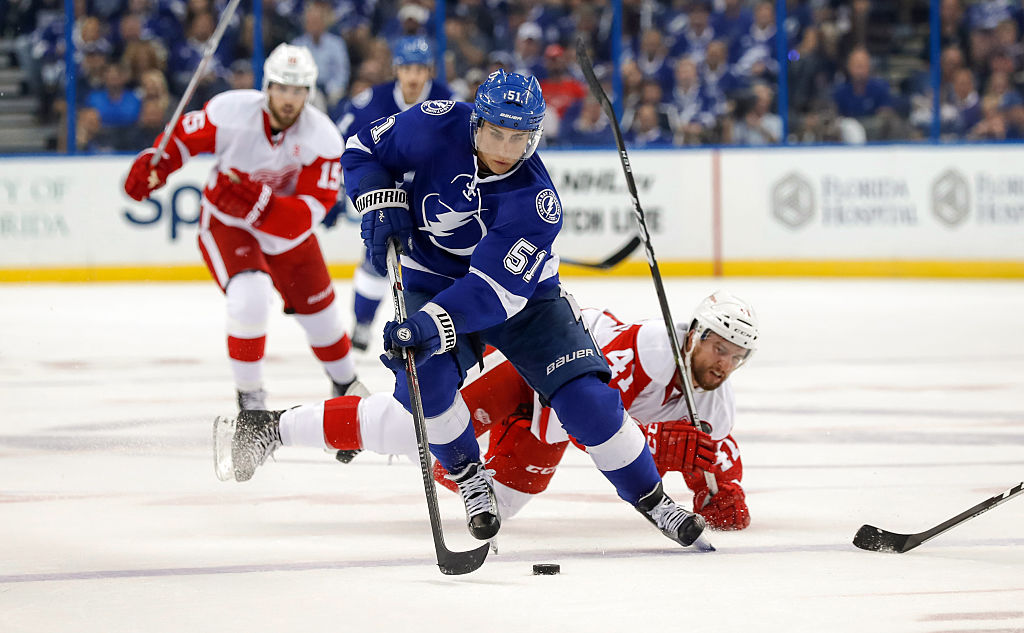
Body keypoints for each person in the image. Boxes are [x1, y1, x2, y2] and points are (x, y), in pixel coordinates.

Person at [234, 68, 711, 550]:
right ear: (476, 122)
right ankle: (468, 476)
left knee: (586, 399)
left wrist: (426, 324)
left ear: (535, 136)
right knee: (425, 381)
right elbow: (360, 151)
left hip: (523, 300)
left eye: (518, 137)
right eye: (495, 133)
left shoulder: (537, 201)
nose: (504, 150)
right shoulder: (433, 124)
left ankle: (651, 498)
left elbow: (492, 294)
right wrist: (378, 200)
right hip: (431, 280)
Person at [215, 291, 759, 532]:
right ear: (695, 334)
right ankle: (270, 428)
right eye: (717, 347)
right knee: (412, 425)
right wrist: (656, 443)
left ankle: (417, 450)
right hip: (538, 364)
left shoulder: (715, 401)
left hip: (549, 420)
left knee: (500, 504)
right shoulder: (649, 350)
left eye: (736, 356)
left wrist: (722, 495)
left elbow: (718, 469)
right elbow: (581, 416)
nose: (722, 364)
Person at [123, 43, 363, 411]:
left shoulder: (323, 139)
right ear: (267, 87)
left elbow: (304, 217)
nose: (288, 98)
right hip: (228, 222)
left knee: (325, 320)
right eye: (282, 87)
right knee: (250, 296)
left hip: (286, 233)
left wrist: (260, 204)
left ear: (308, 93)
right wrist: (154, 165)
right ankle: (251, 402)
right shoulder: (231, 111)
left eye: (297, 90)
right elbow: (183, 141)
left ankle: (346, 385)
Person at [331, 36, 454, 353]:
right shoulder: (371, 101)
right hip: (389, 197)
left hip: (435, 198)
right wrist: (334, 191)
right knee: (376, 260)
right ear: (396, 69)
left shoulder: (450, 101)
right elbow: (340, 145)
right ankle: (361, 324)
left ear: (430, 71)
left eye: (420, 69)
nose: (413, 77)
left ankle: (443, 329)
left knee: (445, 264)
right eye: (407, 68)